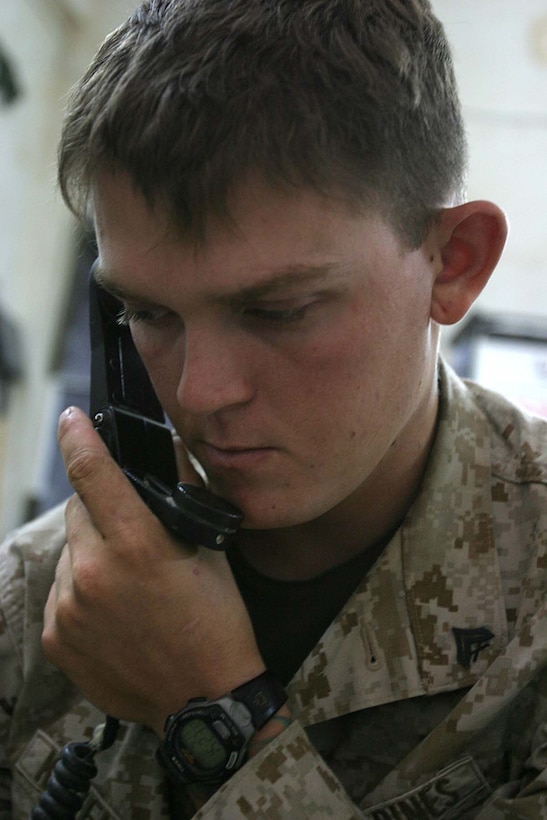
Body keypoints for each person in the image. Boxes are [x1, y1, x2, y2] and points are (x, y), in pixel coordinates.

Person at [1, 0, 546, 816]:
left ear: (450, 263)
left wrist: (214, 713)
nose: (199, 393)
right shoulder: (39, 597)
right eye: (149, 314)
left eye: (279, 311)